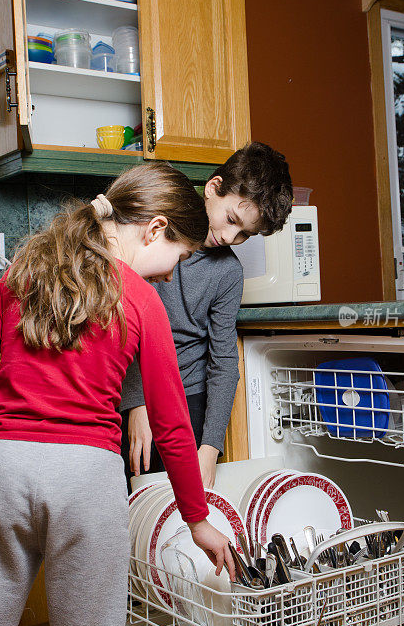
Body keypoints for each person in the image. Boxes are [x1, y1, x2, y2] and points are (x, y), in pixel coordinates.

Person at [0, 163, 235, 626]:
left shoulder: (23, 271)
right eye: (179, 256)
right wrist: (197, 518)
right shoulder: (140, 299)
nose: (170, 275)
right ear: (154, 229)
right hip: (86, 482)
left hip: (4, 470)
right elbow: (173, 425)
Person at [121, 142, 293, 490]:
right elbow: (129, 324)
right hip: (135, 385)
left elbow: (224, 361)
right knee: (134, 496)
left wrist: (210, 447)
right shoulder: (156, 234)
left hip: (189, 395)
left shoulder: (228, 273)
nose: (230, 237)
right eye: (231, 220)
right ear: (212, 189)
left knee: (183, 501)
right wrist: (138, 404)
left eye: (245, 233)